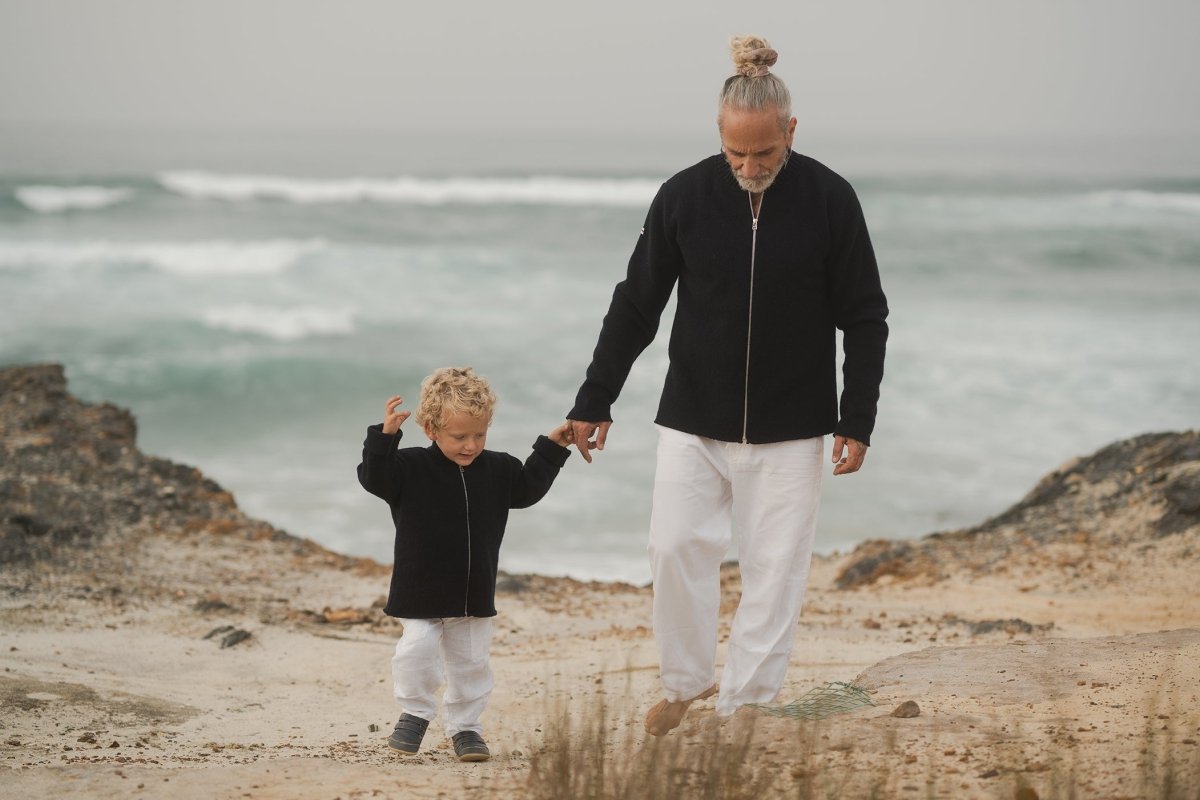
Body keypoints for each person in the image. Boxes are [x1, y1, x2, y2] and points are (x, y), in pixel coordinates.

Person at [567, 35, 889, 735]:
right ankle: (686, 682)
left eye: (764, 154)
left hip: (794, 426)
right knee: (674, 546)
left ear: (790, 132)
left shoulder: (831, 199)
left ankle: (747, 706)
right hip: (692, 418)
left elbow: (865, 316)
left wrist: (856, 418)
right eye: (736, 153)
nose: (748, 167)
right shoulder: (683, 196)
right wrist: (595, 398)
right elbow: (636, 303)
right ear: (719, 134)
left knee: (776, 571)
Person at [358, 366, 573, 760]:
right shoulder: (407, 468)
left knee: (472, 664)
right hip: (419, 588)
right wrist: (384, 438)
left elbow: (527, 490)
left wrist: (553, 448)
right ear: (431, 429)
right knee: (415, 650)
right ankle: (415, 712)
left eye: (479, 434)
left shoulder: (499, 468)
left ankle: (467, 729)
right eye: (459, 436)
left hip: (473, 592)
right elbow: (375, 478)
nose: (470, 445)